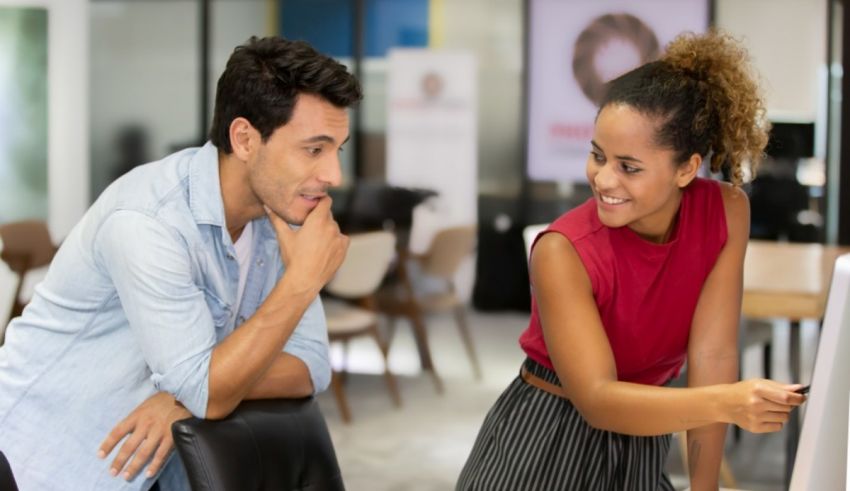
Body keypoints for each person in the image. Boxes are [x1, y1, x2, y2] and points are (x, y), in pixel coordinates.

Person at [0, 36, 361, 490]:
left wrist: (183, 398)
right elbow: (208, 390)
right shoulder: (149, 221)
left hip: (157, 464)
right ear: (245, 139)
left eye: (337, 150)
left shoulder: (281, 216)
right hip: (46, 465)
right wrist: (303, 280)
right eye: (314, 149)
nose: (334, 176)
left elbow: (310, 366)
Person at [457, 30, 806, 491]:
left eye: (629, 166)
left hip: (643, 435)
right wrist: (726, 402)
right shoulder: (562, 249)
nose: (603, 179)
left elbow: (713, 355)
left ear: (686, 168)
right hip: (545, 439)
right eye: (597, 156)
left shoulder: (725, 211)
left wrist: (706, 487)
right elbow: (598, 400)